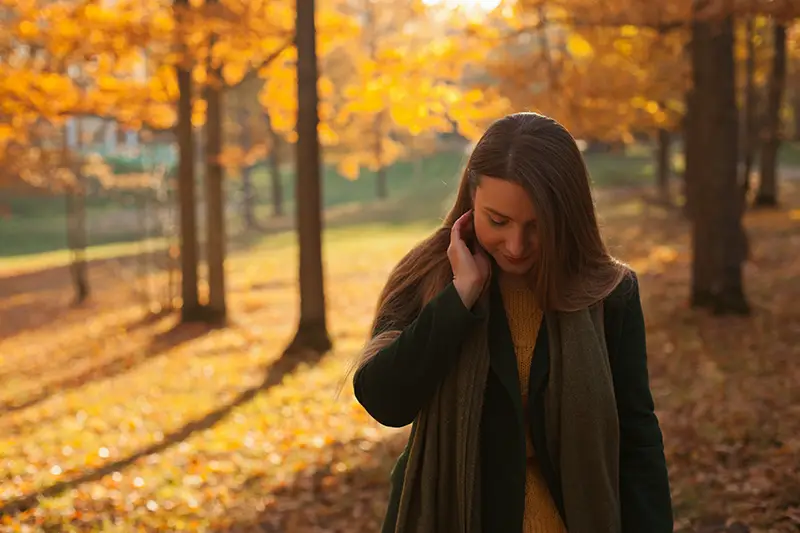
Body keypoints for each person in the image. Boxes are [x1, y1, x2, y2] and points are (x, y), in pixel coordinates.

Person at [352, 112, 673, 533]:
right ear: (471, 200)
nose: (516, 246)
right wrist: (459, 299)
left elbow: (636, 435)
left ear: (569, 215)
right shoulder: (428, 275)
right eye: (498, 222)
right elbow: (385, 401)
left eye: (537, 226)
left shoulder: (608, 293)